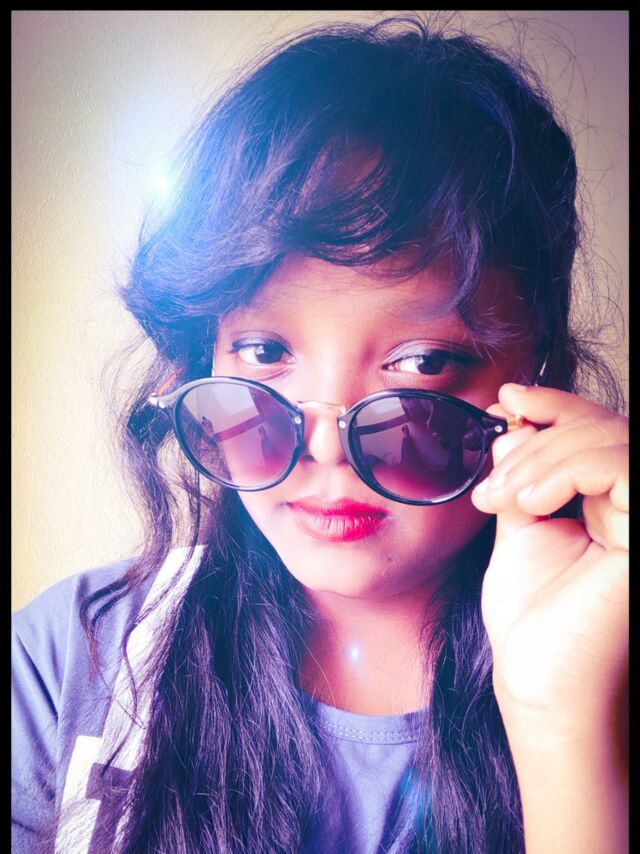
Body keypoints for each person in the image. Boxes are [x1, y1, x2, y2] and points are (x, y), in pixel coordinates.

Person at [12, 15, 628, 854]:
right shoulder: (68, 662)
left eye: (423, 364)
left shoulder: (610, 640)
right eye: (265, 352)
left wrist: (564, 724)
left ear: (537, 376)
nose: (327, 449)